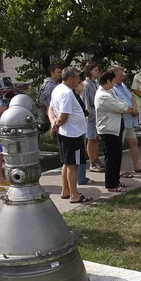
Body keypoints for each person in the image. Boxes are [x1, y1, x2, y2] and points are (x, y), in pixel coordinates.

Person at [50, 66, 92, 203]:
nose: (78, 80)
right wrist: (56, 124)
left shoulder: (57, 89)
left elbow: (50, 109)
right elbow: (63, 116)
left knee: (67, 163)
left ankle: (66, 190)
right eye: (77, 78)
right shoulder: (67, 93)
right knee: (73, 165)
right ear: (70, 78)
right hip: (73, 134)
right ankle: (74, 194)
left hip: (66, 133)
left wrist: (53, 123)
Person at [95, 71, 131, 192]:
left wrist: (123, 103)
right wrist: (124, 104)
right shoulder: (103, 96)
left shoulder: (110, 91)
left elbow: (122, 101)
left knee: (117, 156)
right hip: (108, 130)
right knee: (111, 158)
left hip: (116, 127)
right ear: (108, 81)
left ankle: (116, 180)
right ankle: (111, 184)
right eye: (112, 81)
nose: (114, 84)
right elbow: (122, 107)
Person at [111, 65, 141, 176]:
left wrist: (134, 107)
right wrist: (131, 110)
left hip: (129, 120)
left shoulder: (122, 85)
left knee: (133, 142)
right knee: (118, 145)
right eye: (120, 75)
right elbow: (117, 105)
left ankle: (136, 166)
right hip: (120, 120)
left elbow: (131, 97)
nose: (122, 77)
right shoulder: (111, 88)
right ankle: (120, 169)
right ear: (113, 76)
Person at [81, 61, 104, 172]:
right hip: (91, 114)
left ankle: (96, 158)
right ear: (89, 71)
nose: (97, 72)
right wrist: (89, 113)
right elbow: (85, 102)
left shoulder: (95, 83)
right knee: (91, 138)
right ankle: (92, 162)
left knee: (96, 138)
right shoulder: (86, 84)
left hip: (97, 113)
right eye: (95, 70)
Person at [73, 73, 90, 185]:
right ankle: (80, 178)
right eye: (79, 83)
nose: (82, 85)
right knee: (78, 156)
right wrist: (86, 112)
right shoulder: (74, 97)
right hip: (76, 130)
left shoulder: (78, 96)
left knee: (81, 154)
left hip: (81, 128)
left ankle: (82, 176)